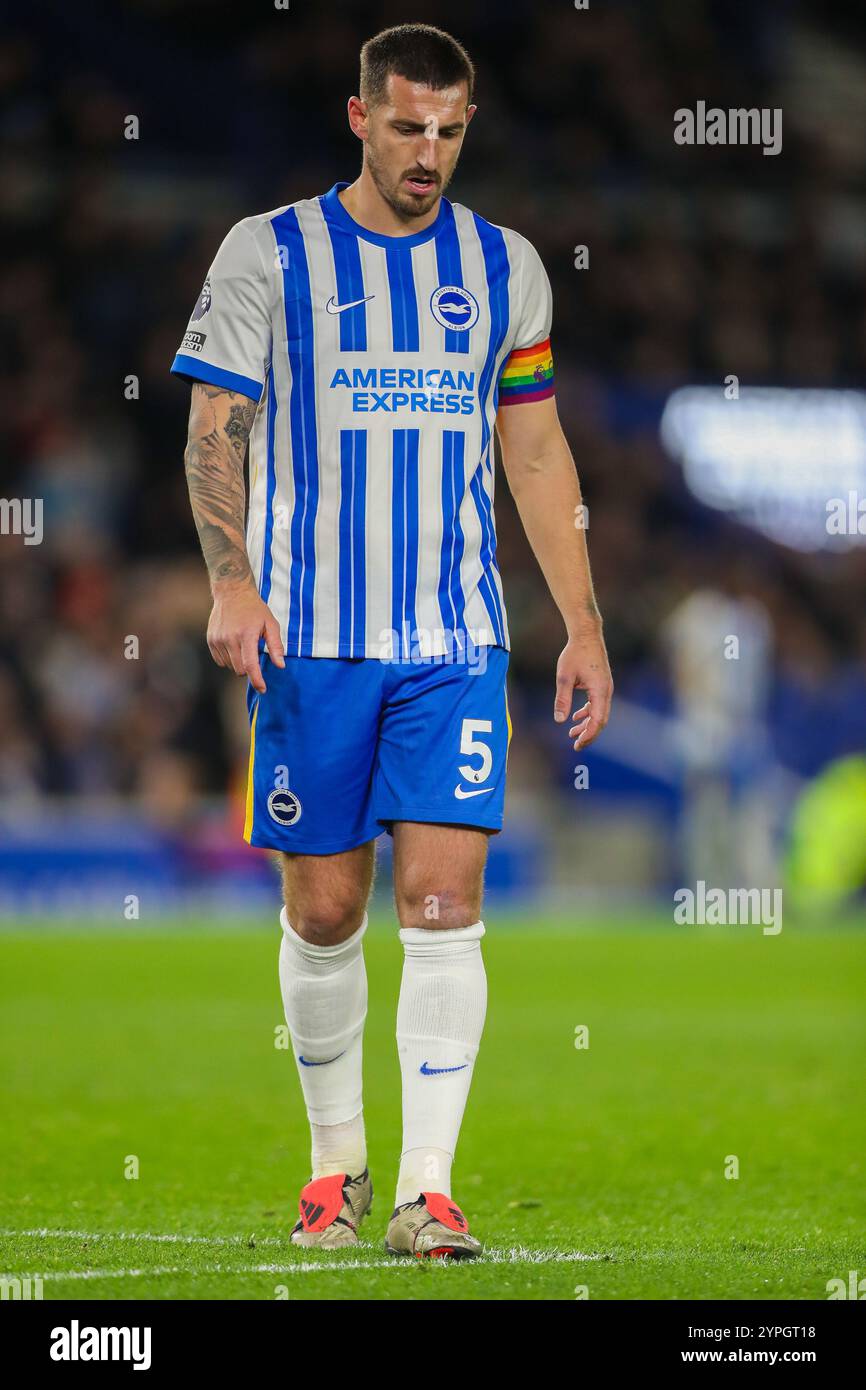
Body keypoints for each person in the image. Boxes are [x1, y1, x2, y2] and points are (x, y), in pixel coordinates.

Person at [172, 22, 612, 1260]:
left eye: (451, 132)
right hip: (308, 637)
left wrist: (580, 625)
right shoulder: (269, 252)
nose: (429, 153)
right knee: (323, 911)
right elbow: (216, 426)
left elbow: (532, 447)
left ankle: (427, 1188)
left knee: (440, 898)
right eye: (408, 127)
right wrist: (229, 582)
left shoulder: (506, 267)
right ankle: (335, 1168)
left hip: (452, 638)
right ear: (359, 117)